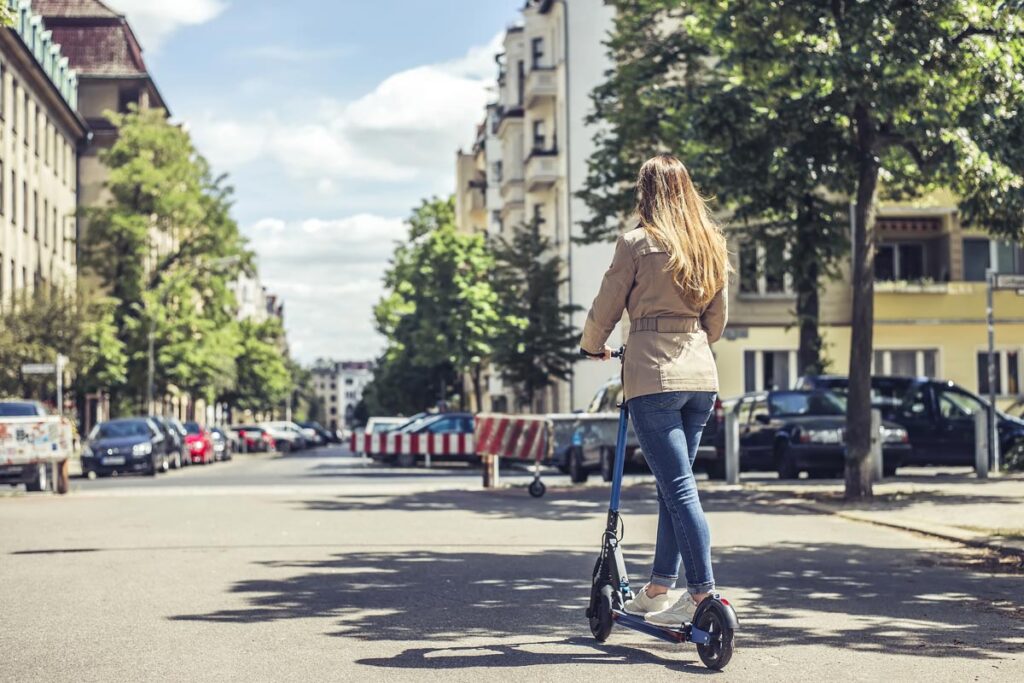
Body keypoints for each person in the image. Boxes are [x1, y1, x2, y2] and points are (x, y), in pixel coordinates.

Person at [579, 154, 729, 627]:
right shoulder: (711, 244)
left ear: (645, 193)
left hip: (652, 375)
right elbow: (718, 322)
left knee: (678, 487)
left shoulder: (635, 244)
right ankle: (661, 586)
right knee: (673, 487)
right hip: (700, 378)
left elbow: (606, 306)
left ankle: (703, 593)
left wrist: (592, 346)